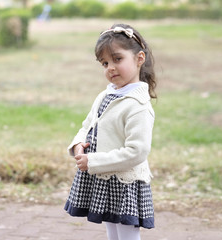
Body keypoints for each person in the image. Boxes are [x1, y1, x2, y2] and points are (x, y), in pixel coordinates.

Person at [64, 23, 157, 240]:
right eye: (105, 63)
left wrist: (94, 161)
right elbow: (87, 125)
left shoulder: (138, 105)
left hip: (124, 181)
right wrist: (79, 144)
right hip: (105, 178)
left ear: (139, 58)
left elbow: (137, 151)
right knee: (111, 231)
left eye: (117, 59)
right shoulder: (107, 95)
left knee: (126, 234)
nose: (110, 68)